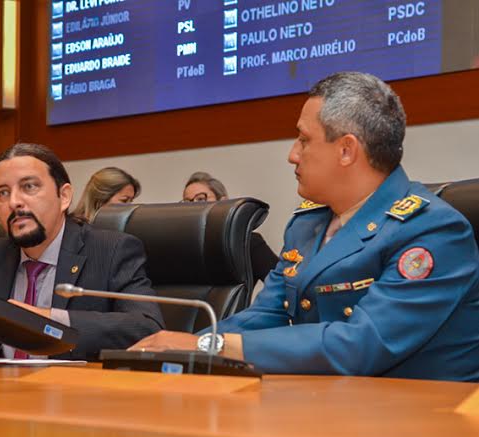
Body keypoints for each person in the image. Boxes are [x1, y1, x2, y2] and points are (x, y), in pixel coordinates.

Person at [132, 71, 479, 381]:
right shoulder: (307, 224)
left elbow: (359, 345)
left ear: (346, 151)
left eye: (304, 139)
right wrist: (189, 346)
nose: (292, 154)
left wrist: (213, 346)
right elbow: (268, 314)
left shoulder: (432, 231)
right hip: (324, 406)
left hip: (416, 429)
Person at [0, 143, 164, 360]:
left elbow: (147, 328)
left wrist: (50, 322)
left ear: (64, 196)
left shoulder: (111, 251)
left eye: (29, 187)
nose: (14, 202)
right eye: (3, 192)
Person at [182, 171, 278, 283]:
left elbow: (281, 285)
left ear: (223, 202)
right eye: (187, 202)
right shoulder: (182, 244)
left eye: (201, 199)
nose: (193, 206)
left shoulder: (247, 242)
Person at [72, 167, 141, 222]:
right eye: (124, 200)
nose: (130, 207)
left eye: (131, 201)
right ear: (100, 199)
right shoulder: (73, 229)